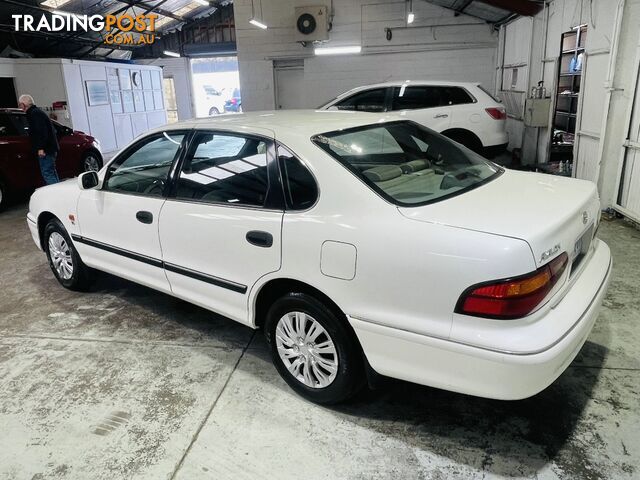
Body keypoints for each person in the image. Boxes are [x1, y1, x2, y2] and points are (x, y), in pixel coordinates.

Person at [18, 94, 60, 185]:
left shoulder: (35, 114)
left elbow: (40, 132)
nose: (20, 107)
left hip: (46, 149)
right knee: (51, 172)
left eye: (20, 104)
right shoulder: (36, 112)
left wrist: (40, 148)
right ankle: (58, 191)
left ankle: (56, 194)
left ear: (24, 104)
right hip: (49, 148)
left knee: (47, 173)